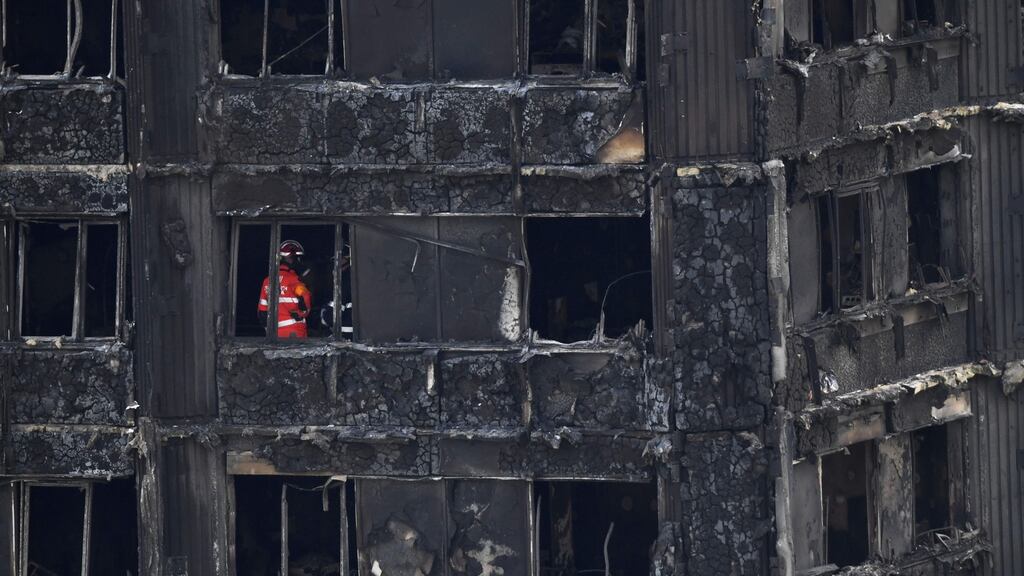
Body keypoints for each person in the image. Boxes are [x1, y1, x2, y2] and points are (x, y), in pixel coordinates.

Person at [258, 240, 312, 338]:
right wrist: (302, 314)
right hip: (294, 331)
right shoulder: (295, 280)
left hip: (273, 334)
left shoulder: (267, 281)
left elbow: (262, 312)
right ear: (293, 259)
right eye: (298, 258)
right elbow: (305, 298)